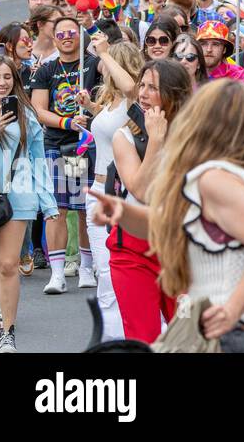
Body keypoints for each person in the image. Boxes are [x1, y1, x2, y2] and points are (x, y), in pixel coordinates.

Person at [91, 80, 244, 353]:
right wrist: (123, 211)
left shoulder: (215, 178)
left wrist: (231, 309)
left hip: (233, 332)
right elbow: (167, 222)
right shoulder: (243, 173)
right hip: (242, 329)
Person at [105, 58, 194, 343]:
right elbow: (141, 190)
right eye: (141, 85)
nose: (142, 93)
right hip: (134, 249)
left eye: (152, 87)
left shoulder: (196, 134)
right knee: (143, 337)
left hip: (184, 247)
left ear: (174, 93)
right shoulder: (124, 136)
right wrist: (155, 140)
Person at [0, 56, 57, 352]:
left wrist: (49, 204)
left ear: (15, 80)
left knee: (7, 264)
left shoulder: (26, 113)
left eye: (7, 77)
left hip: (19, 196)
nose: (1, 83)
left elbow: (39, 162)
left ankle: (7, 331)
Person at [29, 15, 101, 294]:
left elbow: (115, 60)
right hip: (58, 144)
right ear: (54, 37)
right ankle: (57, 273)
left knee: (83, 208)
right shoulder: (46, 70)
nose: (67, 36)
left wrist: (93, 27)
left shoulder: (92, 64)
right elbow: (38, 109)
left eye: (72, 31)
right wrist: (67, 122)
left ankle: (85, 266)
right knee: (56, 209)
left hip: (84, 146)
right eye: (61, 33)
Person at [83, 39, 144, 341]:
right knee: (103, 271)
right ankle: (110, 338)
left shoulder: (135, 99)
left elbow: (131, 86)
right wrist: (90, 109)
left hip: (121, 193)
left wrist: (106, 51)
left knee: (116, 273)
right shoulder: (110, 100)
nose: (99, 65)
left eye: (105, 62)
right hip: (95, 190)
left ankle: (124, 337)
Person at [0, 22, 35, 88]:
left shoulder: (30, 71)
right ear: (10, 46)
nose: (30, 44)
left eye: (30, 40)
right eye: (25, 40)